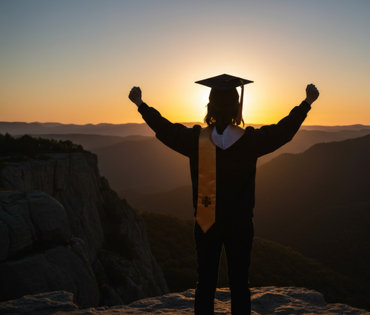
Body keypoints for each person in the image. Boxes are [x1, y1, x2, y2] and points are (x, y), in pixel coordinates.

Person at [128, 74, 319, 315]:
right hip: (239, 224)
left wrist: (141, 105)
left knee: (205, 282)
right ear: (236, 109)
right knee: (240, 283)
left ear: (209, 107)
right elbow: (283, 131)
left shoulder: (198, 140)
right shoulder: (249, 142)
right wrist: (306, 103)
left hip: (206, 221)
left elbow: (165, 129)